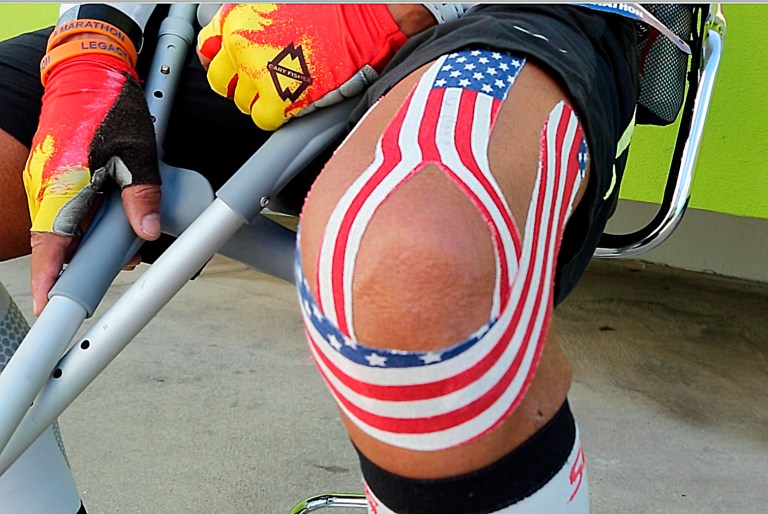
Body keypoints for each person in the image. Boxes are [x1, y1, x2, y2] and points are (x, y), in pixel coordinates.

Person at [0, 3, 641, 513]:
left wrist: (411, 6)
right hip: (236, 33)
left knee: (415, 271)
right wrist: (92, 47)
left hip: (502, 23)